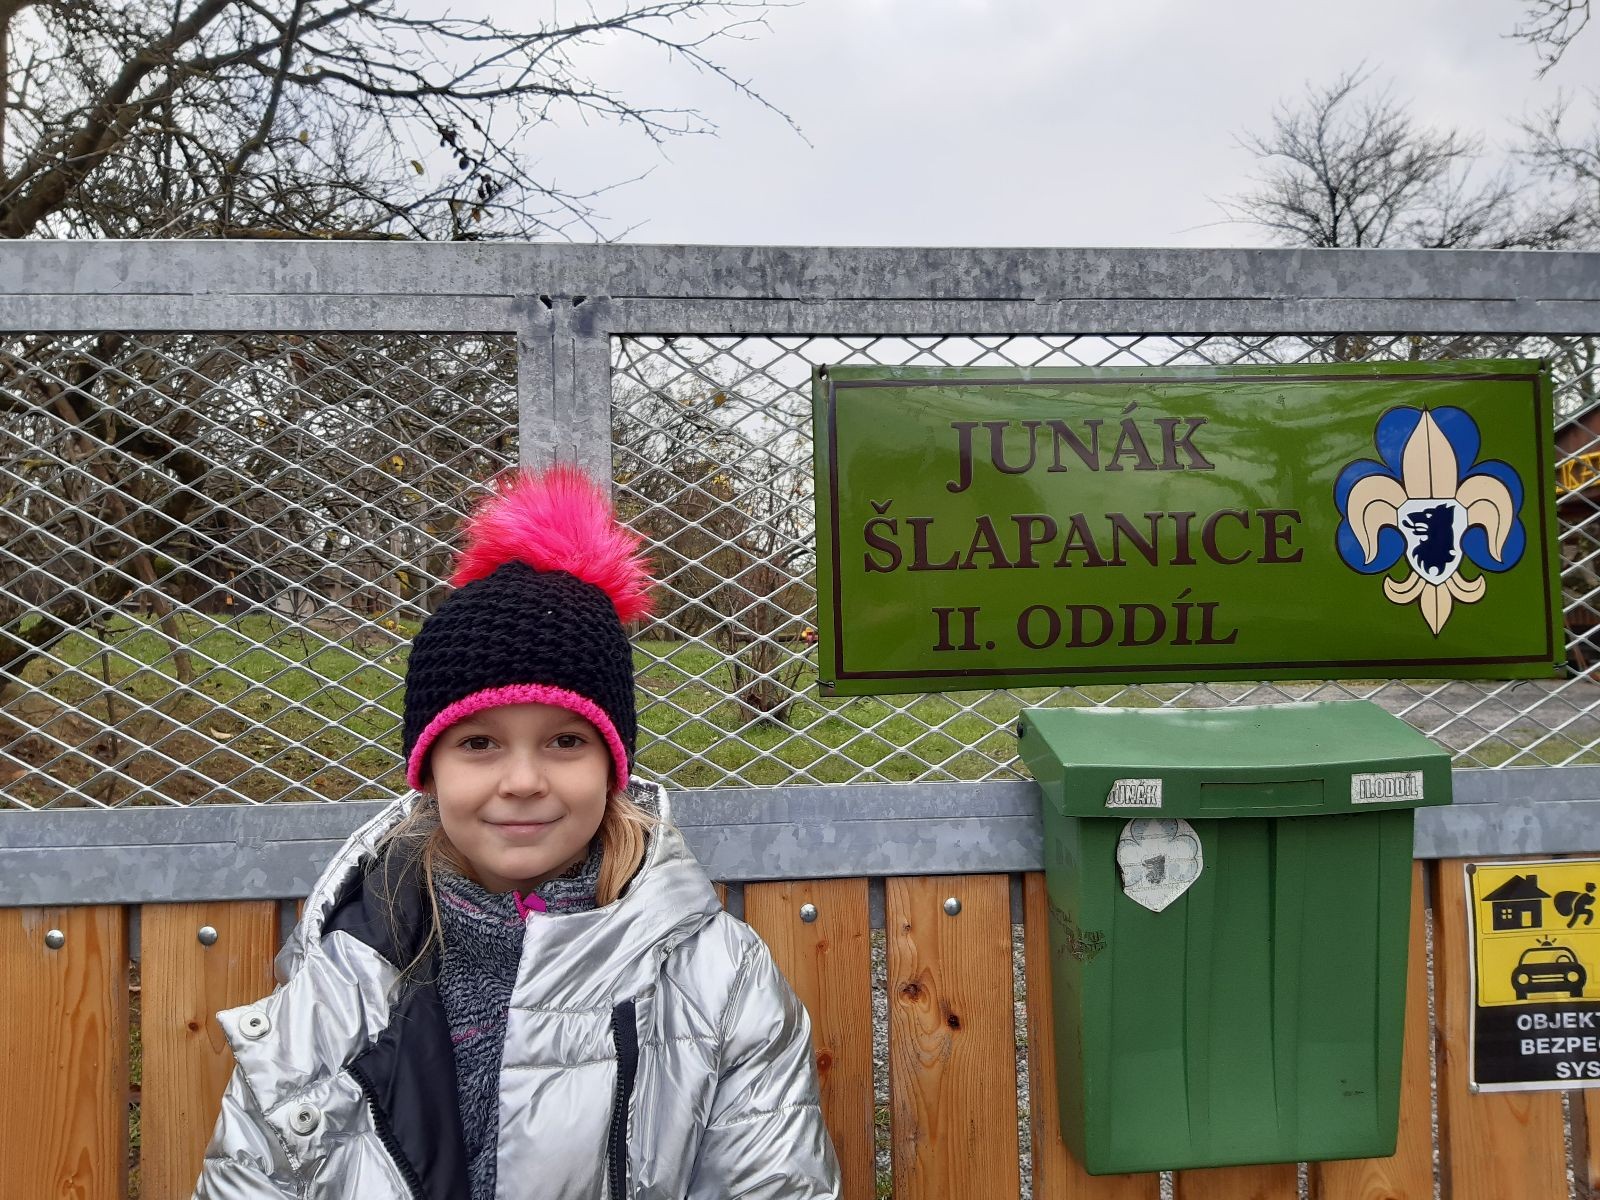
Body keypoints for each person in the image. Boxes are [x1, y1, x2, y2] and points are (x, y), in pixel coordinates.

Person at [193, 465, 842, 1199]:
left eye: (565, 742)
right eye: (480, 744)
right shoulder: (345, 978)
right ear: (429, 771)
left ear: (612, 767)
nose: (524, 780)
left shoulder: (716, 978)